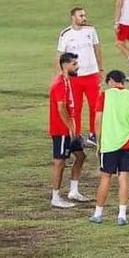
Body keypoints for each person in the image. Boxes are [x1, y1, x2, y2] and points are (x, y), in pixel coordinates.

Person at [88, 70, 129, 226]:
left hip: (109, 143)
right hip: (127, 143)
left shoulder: (105, 95)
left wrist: (98, 141)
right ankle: (122, 215)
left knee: (105, 178)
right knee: (123, 177)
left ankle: (98, 214)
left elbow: (97, 120)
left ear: (111, 81)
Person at [56, 7, 103, 147]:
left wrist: (100, 69)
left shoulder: (91, 30)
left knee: (95, 106)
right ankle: (76, 135)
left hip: (92, 75)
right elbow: (60, 55)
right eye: (81, 15)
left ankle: (93, 135)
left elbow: (97, 49)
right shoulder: (65, 34)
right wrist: (61, 73)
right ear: (73, 17)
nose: (84, 18)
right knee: (75, 107)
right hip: (74, 77)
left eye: (84, 15)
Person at [49, 52, 89, 209]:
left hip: (70, 129)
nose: (77, 66)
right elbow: (61, 108)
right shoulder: (60, 83)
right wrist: (71, 126)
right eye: (74, 64)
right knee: (59, 162)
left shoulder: (67, 81)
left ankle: (73, 191)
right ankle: (55, 197)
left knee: (80, 156)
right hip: (62, 130)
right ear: (65, 65)